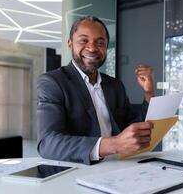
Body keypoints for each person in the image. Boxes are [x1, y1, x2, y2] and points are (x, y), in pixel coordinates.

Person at [36, 16, 155, 165]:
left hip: (119, 166)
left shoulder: (115, 85)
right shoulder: (53, 82)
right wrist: (114, 145)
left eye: (100, 42)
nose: (92, 48)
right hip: (78, 171)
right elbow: (48, 144)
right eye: (84, 40)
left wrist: (149, 93)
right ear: (70, 44)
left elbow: (132, 128)